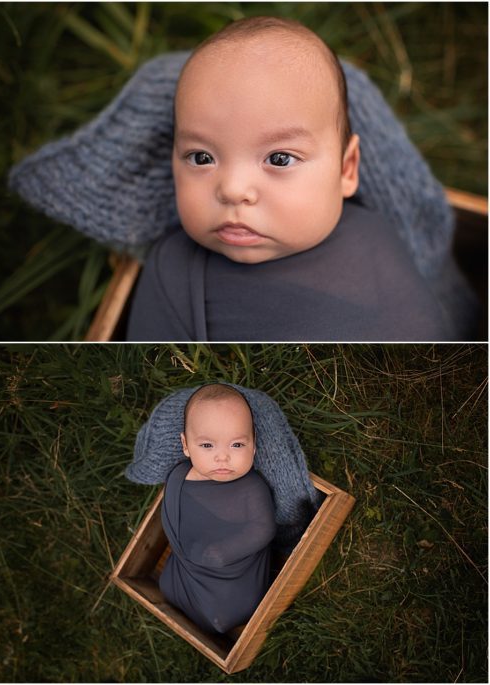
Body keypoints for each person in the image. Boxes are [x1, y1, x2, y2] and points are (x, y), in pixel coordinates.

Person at [118, 17, 451, 341]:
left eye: (279, 159)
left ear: (346, 169)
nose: (233, 190)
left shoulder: (380, 232)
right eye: (201, 157)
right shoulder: (175, 268)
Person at [159, 383, 276, 634]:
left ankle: (222, 620)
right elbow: (173, 523)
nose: (222, 457)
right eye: (207, 446)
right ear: (186, 445)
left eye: (236, 445)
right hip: (188, 569)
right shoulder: (178, 477)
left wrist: (223, 552)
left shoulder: (252, 487)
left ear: (254, 444)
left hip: (233, 574)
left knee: (228, 609)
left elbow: (263, 529)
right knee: (168, 584)